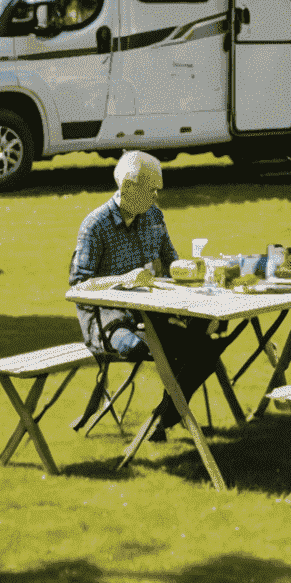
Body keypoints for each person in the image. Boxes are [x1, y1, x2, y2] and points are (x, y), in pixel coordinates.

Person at [69, 151, 221, 441]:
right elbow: (78, 286)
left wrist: (193, 268)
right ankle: (162, 422)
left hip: (150, 314)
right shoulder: (95, 225)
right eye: (151, 189)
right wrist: (123, 280)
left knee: (206, 350)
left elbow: (171, 262)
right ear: (127, 187)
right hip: (109, 322)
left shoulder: (153, 216)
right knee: (159, 349)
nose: (156, 196)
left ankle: (159, 421)